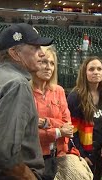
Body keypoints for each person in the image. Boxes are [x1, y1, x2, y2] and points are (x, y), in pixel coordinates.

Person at [0, 23, 53, 179]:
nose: (42, 54)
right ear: (15, 53)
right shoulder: (17, 84)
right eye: (35, 48)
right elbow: (4, 157)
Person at [31, 45, 73, 179]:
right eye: (43, 62)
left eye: (52, 63)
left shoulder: (59, 90)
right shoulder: (24, 90)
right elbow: (29, 133)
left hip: (59, 155)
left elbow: (68, 126)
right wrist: (58, 131)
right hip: (34, 158)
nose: (48, 67)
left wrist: (46, 123)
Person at [67, 56, 102, 180]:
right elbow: (71, 130)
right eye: (91, 69)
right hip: (85, 153)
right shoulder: (75, 96)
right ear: (84, 72)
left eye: (99, 69)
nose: (96, 72)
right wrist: (81, 154)